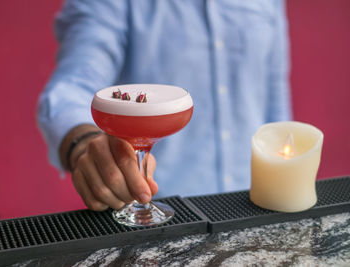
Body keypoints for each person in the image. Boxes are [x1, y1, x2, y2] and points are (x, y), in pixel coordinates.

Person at [37, 0, 292, 211]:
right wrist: (82, 143)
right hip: (158, 220)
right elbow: (71, 89)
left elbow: (275, 104)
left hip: (251, 209)